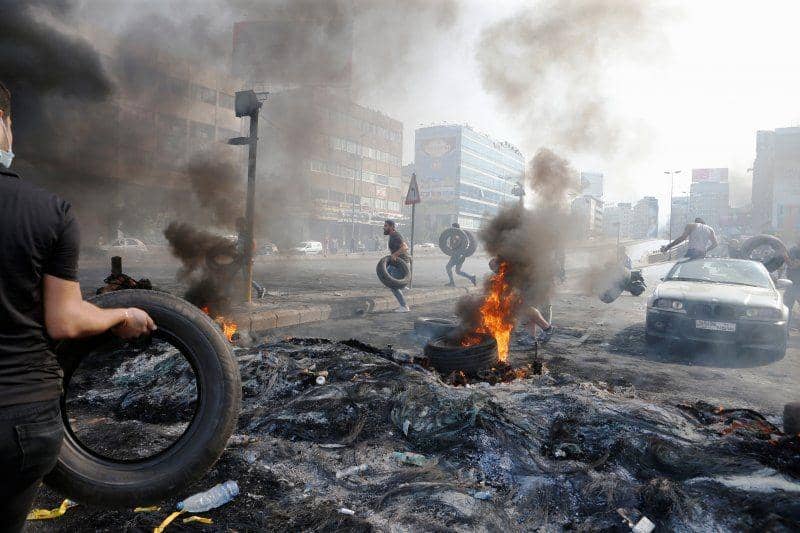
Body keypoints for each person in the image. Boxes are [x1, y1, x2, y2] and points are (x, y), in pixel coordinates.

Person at [0, 82, 156, 531]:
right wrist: (121, 315)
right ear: (6, 126)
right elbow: (66, 320)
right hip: (19, 421)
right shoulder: (49, 212)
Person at [383, 219, 411, 312]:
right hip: (398, 263)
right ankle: (403, 286)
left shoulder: (395, 235)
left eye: (386, 226)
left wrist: (395, 254)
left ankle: (404, 306)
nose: (384, 227)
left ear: (391, 227)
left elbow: (405, 247)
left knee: (393, 286)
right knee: (388, 270)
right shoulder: (392, 236)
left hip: (402, 264)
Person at [234, 217, 265, 299]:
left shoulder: (247, 235)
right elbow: (238, 244)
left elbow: (252, 247)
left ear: (242, 226)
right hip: (241, 257)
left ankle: (260, 289)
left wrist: (249, 256)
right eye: (237, 226)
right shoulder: (240, 234)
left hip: (246, 259)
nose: (236, 227)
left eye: (238, 226)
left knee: (246, 278)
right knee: (233, 273)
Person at [783, 239, 800, 328]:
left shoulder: (793, 250)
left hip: (795, 284)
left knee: (787, 307)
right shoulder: (794, 250)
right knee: (786, 308)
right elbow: (791, 263)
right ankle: (785, 329)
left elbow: (793, 264)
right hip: (792, 284)